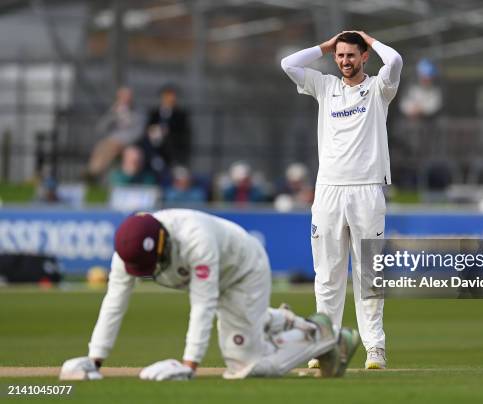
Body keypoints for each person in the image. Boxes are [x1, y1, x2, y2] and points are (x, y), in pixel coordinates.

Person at [59, 210, 360, 381]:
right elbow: (114, 302)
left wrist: (189, 365)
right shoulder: (128, 249)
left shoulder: (195, 240)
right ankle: (297, 324)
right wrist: (94, 359)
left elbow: (203, 304)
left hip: (244, 269)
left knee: (244, 366)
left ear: (163, 241)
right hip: (225, 279)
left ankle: (325, 337)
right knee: (242, 323)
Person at [281, 31, 402, 369]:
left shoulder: (380, 88)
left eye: (352, 55)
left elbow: (394, 60)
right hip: (329, 191)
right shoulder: (325, 86)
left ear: (364, 56)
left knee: (368, 274)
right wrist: (325, 45)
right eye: (341, 56)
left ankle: (375, 347)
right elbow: (288, 63)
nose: (345, 61)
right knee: (328, 275)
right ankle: (324, 346)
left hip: (367, 189)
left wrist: (369, 38)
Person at [84, 87, 146, 182]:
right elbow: (100, 129)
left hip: (129, 142)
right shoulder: (114, 112)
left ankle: (93, 173)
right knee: (101, 148)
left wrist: (119, 140)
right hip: (111, 142)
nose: (125, 100)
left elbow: (138, 132)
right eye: (122, 97)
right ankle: (93, 174)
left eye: (127, 97)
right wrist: (113, 114)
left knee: (108, 148)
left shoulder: (138, 113)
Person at [139, 85, 192, 179]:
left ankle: (160, 162)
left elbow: (184, 133)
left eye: (172, 96)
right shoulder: (154, 113)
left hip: (171, 145)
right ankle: (154, 158)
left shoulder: (180, 115)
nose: (170, 99)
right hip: (154, 143)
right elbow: (147, 128)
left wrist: (167, 132)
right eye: (167, 96)